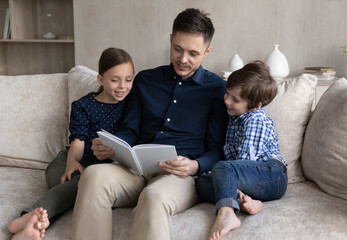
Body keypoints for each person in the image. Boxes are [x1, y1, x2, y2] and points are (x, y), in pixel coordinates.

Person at [71, 8, 228, 240]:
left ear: (207, 51)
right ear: (171, 39)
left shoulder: (218, 90)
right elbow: (130, 130)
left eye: (193, 53)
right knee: (93, 175)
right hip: (135, 171)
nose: (183, 59)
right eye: (177, 49)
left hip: (179, 177)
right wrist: (112, 146)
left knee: (153, 196)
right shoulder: (145, 80)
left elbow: (218, 149)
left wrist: (195, 166)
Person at [7, 47, 135, 240]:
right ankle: (31, 216)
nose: (122, 86)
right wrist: (72, 161)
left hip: (100, 174)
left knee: (86, 183)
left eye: (128, 79)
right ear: (100, 79)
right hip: (67, 162)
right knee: (79, 180)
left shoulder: (130, 105)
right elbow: (78, 141)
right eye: (114, 79)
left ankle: (33, 223)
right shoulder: (84, 105)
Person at [195, 61, 288, 240]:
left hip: (272, 175)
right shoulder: (236, 116)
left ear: (256, 105)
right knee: (201, 182)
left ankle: (226, 214)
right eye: (227, 94)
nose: (227, 101)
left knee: (222, 168)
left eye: (235, 100)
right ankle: (246, 202)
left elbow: (245, 162)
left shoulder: (255, 120)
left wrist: (221, 173)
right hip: (251, 179)